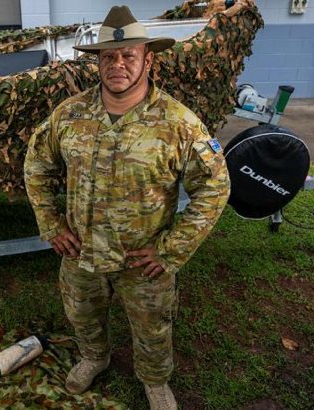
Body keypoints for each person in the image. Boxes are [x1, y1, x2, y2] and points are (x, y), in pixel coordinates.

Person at [24, 5, 230, 409]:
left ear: (148, 60)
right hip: (81, 253)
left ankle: (155, 382)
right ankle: (93, 359)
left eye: (128, 55)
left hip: (143, 260)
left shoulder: (178, 123)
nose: (118, 64)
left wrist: (171, 249)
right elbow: (37, 163)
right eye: (108, 56)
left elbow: (215, 186)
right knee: (82, 315)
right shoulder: (69, 115)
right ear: (98, 62)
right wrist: (51, 223)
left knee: (153, 329)